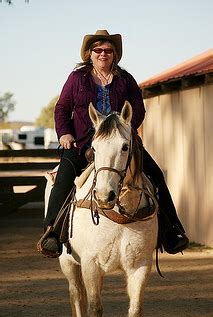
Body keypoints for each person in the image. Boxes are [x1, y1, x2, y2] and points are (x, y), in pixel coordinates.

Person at [37, 29, 189, 258]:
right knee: (64, 177)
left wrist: (126, 131)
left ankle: (171, 230)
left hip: (121, 144)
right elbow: (61, 108)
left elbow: (138, 109)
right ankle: (52, 233)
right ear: (89, 54)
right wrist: (64, 134)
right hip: (82, 143)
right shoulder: (77, 78)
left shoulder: (125, 79)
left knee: (156, 175)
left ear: (115, 54)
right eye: (97, 50)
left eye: (108, 50)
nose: (103, 54)